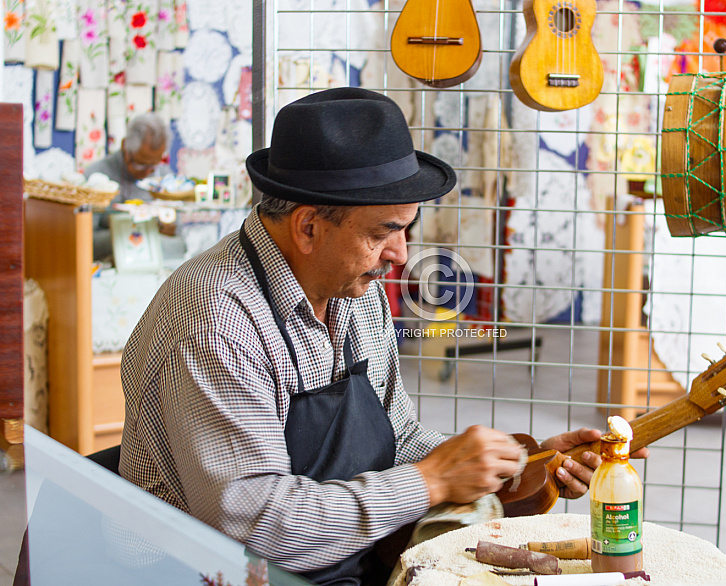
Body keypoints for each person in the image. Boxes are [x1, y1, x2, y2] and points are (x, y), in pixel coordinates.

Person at [118, 88, 644, 585]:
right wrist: (432, 481)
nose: (399, 254)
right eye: (381, 232)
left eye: (405, 229)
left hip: (337, 564)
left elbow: (398, 440)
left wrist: (519, 465)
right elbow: (258, 528)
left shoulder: (353, 290)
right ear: (307, 228)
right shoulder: (214, 320)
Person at [85, 113, 174, 260]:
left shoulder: (165, 177)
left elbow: (179, 243)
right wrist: (143, 233)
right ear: (124, 147)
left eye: (153, 165)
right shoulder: (97, 177)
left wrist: (167, 228)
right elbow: (86, 242)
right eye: (140, 165)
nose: (148, 172)